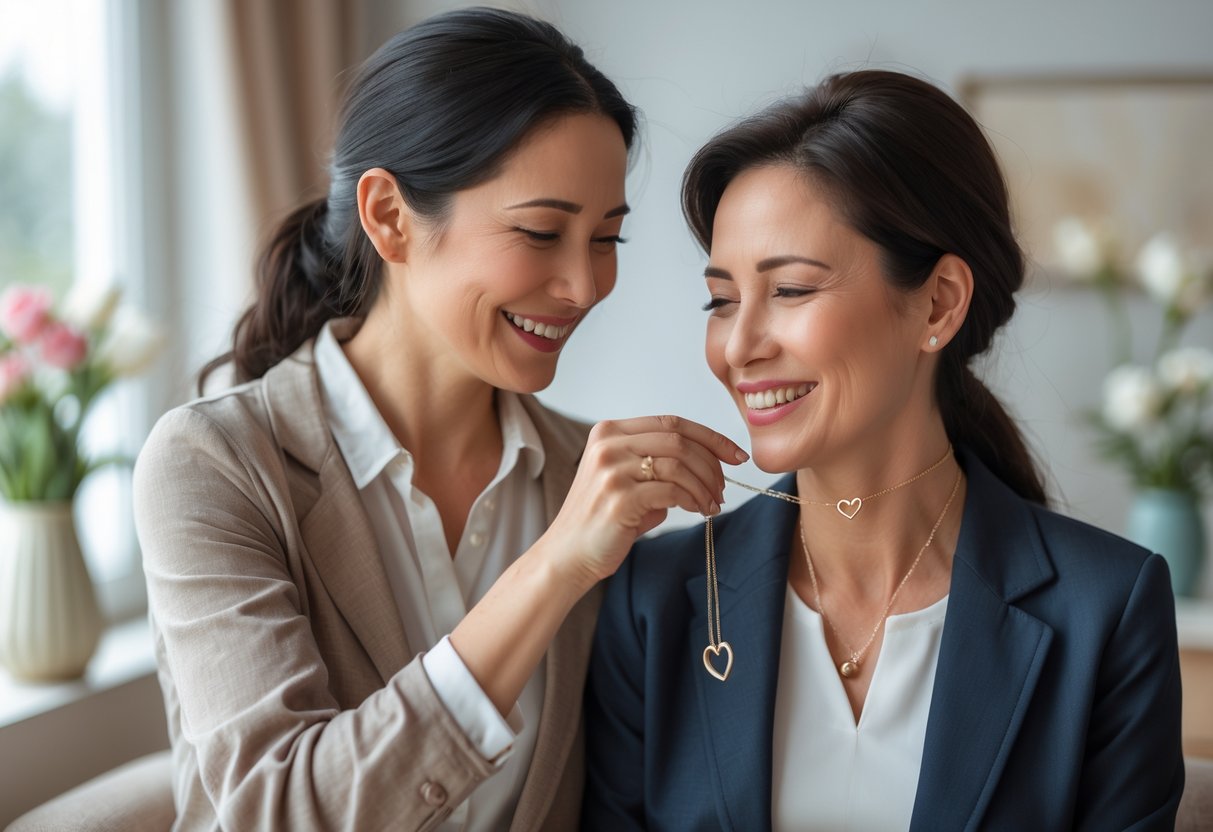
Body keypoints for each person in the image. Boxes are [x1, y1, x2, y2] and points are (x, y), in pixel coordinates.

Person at [132, 8, 747, 830]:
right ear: (389, 216)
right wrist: (552, 568)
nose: (583, 285)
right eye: (539, 231)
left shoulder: (583, 477)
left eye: (606, 240)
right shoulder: (215, 465)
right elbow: (274, 811)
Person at [583, 69, 1185, 831]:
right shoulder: (653, 601)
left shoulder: (1106, 610)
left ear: (937, 304)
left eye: (791, 290)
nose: (737, 346)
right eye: (721, 299)